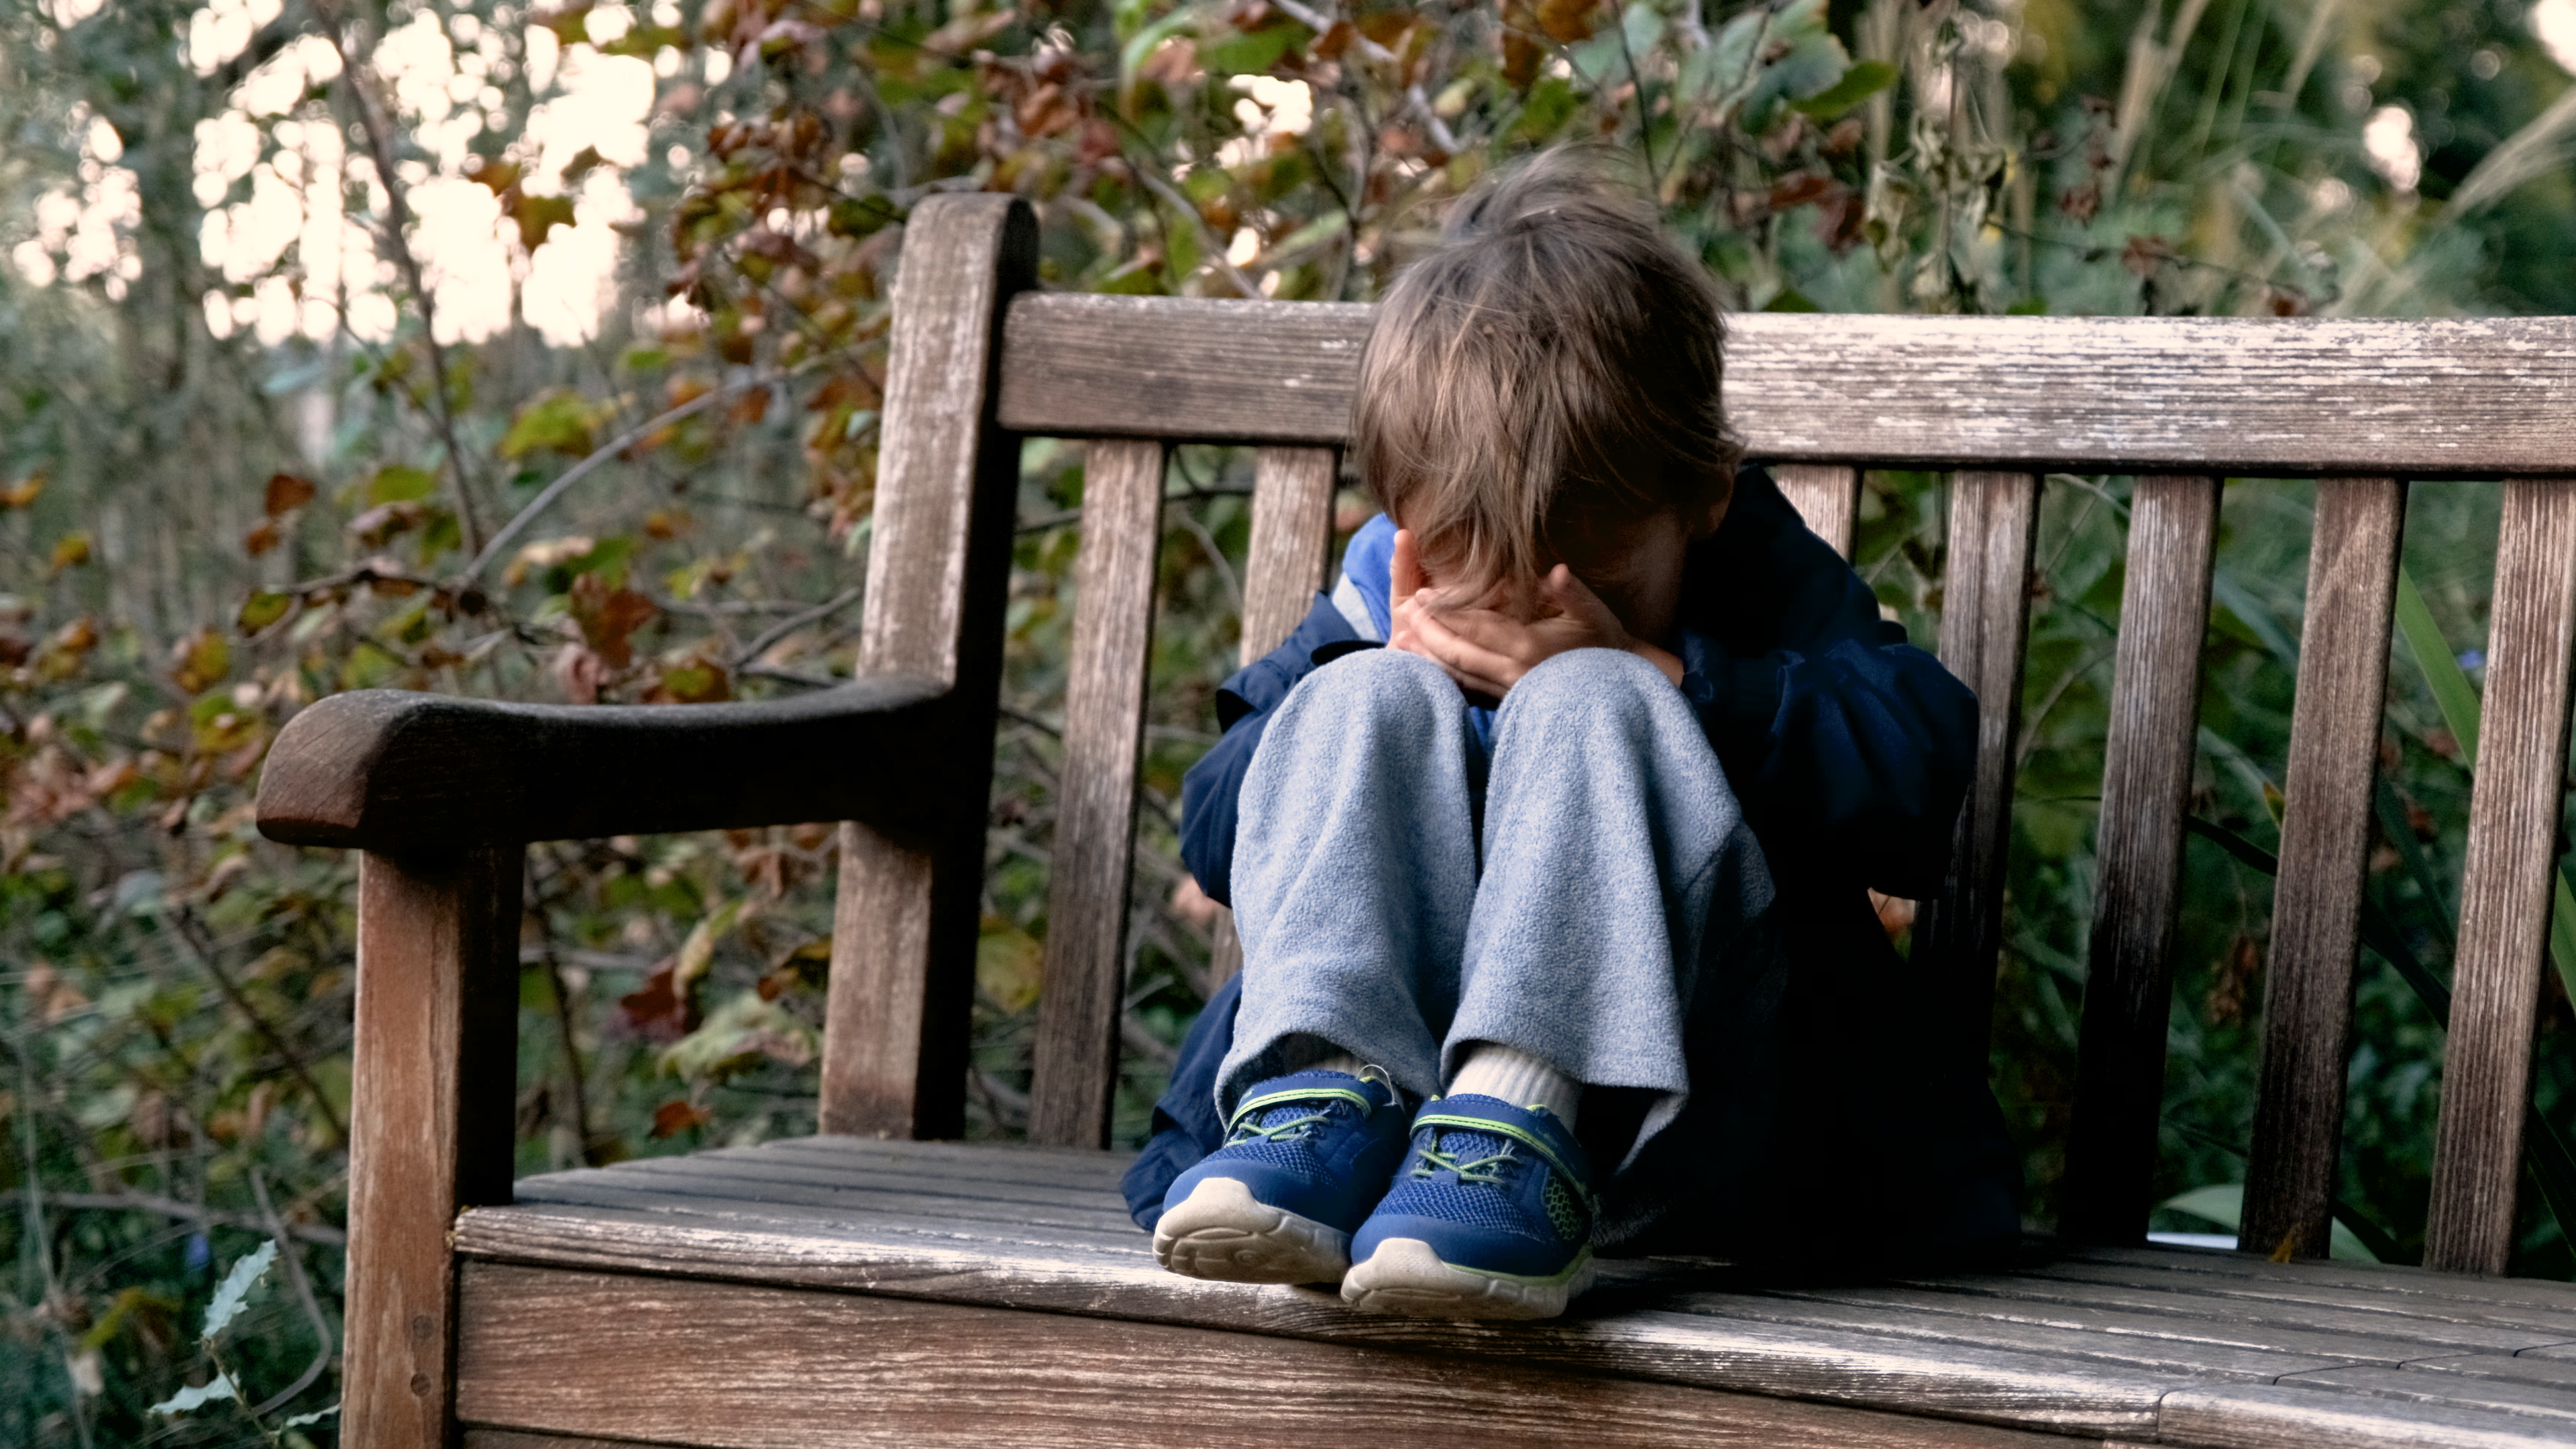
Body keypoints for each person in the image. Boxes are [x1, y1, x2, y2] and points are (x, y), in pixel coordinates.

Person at [1125, 148, 2020, 1322]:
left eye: (1585, 569)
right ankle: (1324, 1102)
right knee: (1353, 705)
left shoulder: (1750, 579)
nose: (1521, 603)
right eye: (1465, 565)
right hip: (1395, 1193)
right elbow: (1213, 830)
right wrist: (1374, 682)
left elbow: (1917, 781)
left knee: (1593, 702)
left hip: (1706, 1145)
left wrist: (1665, 676)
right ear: (1408, 520)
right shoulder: (1377, 595)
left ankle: (1519, 1114)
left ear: (1701, 499)